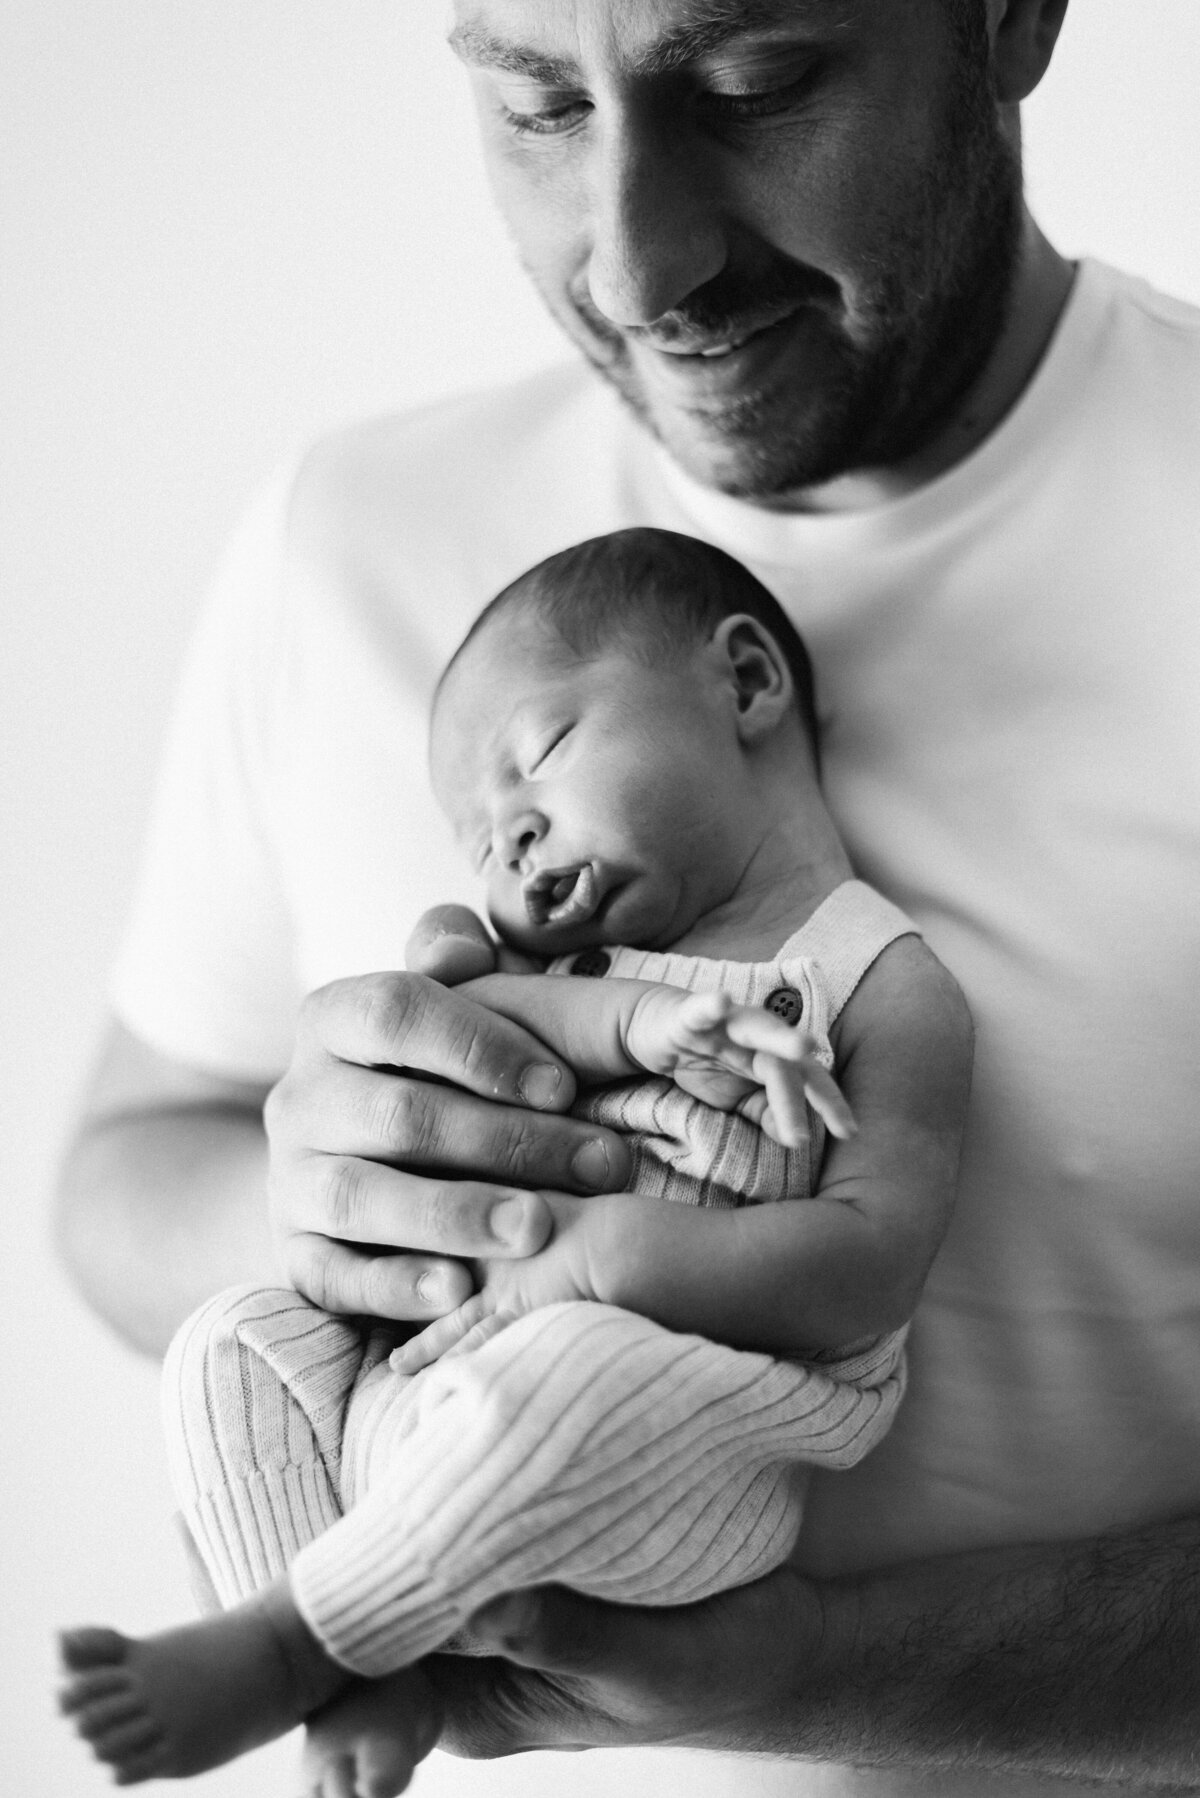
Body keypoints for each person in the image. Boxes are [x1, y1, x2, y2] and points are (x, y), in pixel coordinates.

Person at [54, 0, 1200, 1792]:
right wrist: (364, 1211)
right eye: (530, 105)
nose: (634, 254)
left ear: (1010, 19)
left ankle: (313, 1630)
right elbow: (124, 1171)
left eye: (753, 84)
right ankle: (341, 1627)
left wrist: (843, 1673)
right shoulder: (351, 535)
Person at [59, 530, 971, 1792]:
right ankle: (372, 1671)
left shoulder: (885, 984)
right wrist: (490, 1003)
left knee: (562, 1366)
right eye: (479, 838)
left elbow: (873, 1268)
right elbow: (566, 1026)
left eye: (534, 761)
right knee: (228, 1339)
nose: (513, 844)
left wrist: (614, 1258)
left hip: (680, 1433)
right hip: (430, 1390)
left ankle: (283, 1646)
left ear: (746, 684)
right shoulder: (553, 974)